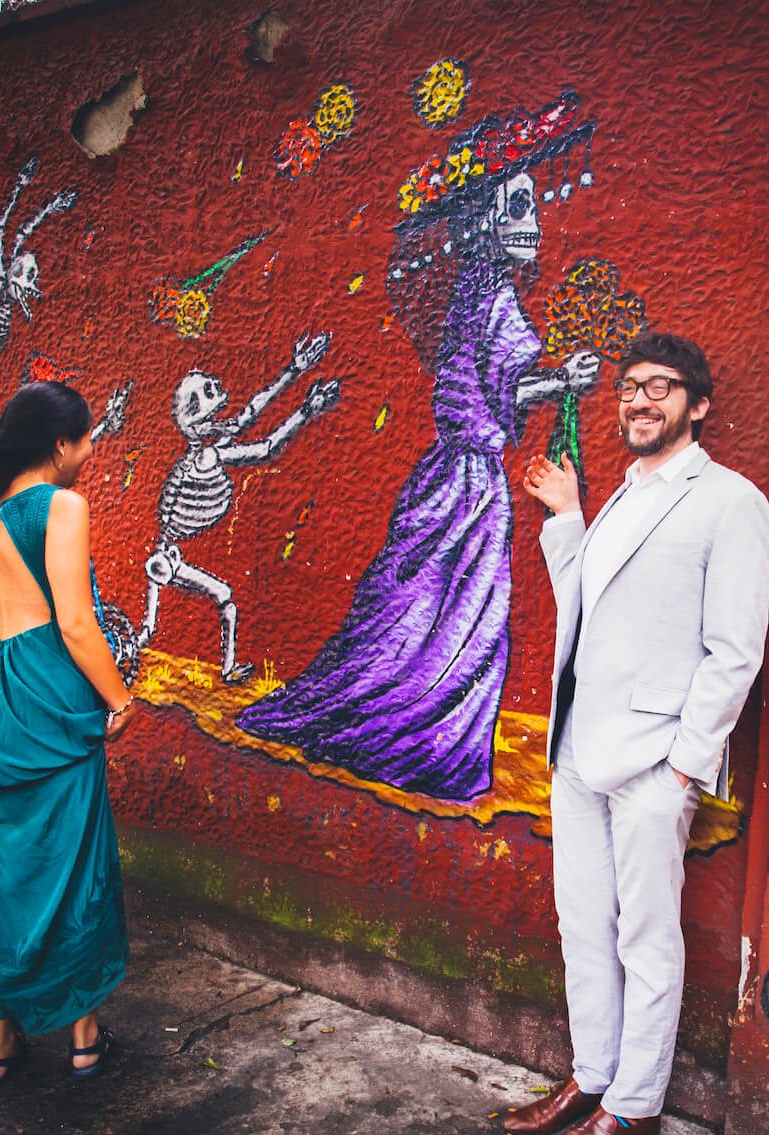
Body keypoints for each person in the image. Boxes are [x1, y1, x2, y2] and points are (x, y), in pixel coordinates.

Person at [234, 90, 599, 800]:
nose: (534, 222)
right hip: (470, 482)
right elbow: (507, 388)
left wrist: (549, 381)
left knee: (428, 607)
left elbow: (487, 385)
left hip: (452, 475)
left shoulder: (474, 292)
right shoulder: (491, 297)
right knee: (463, 617)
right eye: (518, 206)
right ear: (487, 219)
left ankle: (399, 726)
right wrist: (563, 379)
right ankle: (425, 744)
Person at [510, 331, 769, 1135]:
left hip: (658, 758)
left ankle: (634, 1110)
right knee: (582, 926)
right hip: (581, 745)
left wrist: (688, 765)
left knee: (646, 938)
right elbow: (589, 604)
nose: (640, 400)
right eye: (629, 387)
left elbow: (736, 650)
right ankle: (592, 1079)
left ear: (697, 405)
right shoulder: (622, 492)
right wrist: (570, 519)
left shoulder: (730, 500)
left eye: (661, 388)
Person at [0, 379, 137, 1088]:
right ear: (60, 445)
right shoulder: (61, 506)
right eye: (85, 439)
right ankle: (83, 1042)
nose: (88, 452)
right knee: (72, 865)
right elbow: (77, 623)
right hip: (45, 703)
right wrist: (118, 700)